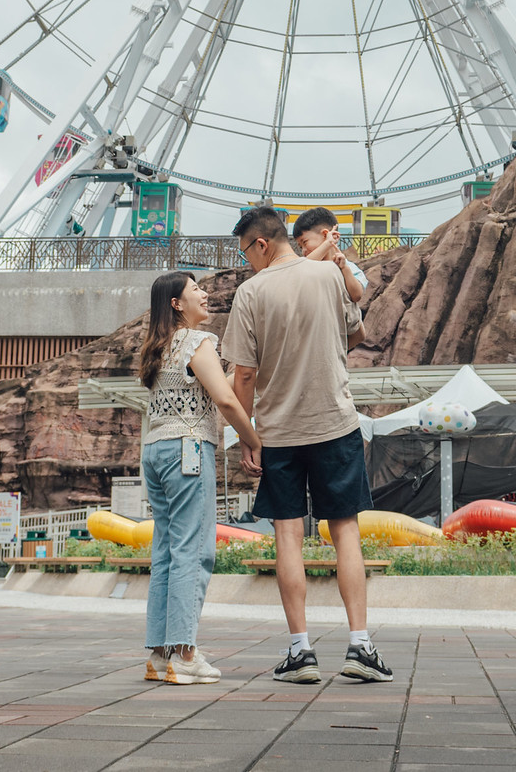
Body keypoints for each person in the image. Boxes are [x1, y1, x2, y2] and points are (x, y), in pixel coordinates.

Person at [223, 207, 392, 684]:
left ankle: (301, 652)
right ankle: (360, 645)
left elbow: (245, 374)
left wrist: (247, 438)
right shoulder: (326, 275)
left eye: (245, 253)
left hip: (279, 434)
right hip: (335, 424)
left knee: (288, 537)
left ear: (260, 244)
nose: (246, 263)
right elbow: (356, 332)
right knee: (346, 533)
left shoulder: (251, 293)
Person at [138, 269, 262, 685]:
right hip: (188, 449)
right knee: (194, 550)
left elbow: (216, 385)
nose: (205, 294)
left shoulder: (158, 347)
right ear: (177, 304)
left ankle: (159, 655)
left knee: (167, 551)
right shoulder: (196, 341)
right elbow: (225, 399)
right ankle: (187, 653)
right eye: (196, 290)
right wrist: (252, 438)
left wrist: (248, 369)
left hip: (155, 451)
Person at [291, 207, 367, 305]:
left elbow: (357, 295)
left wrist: (345, 269)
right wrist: (327, 243)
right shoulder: (306, 265)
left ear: (325, 234)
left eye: (305, 242)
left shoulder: (349, 268)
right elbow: (303, 269)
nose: (303, 250)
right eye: (301, 247)